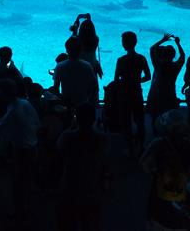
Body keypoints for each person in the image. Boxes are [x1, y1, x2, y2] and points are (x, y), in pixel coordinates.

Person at [0, 78, 40, 227]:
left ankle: (19, 215)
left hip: (22, 151)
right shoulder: (25, 103)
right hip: (33, 147)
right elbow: (37, 122)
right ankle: (28, 211)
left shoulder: (13, 109)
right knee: (28, 181)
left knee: (18, 183)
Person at [55, 103, 109, 231]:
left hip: (69, 185)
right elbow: (105, 162)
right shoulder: (102, 138)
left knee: (68, 221)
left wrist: (71, 127)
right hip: (92, 186)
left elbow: (58, 150)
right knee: (91, 222)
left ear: (76, 118)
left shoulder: (67, 136)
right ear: (94, 119)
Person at [114, 31, 151, 150]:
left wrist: (123, 83)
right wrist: (137, 81)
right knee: (140, 119)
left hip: (124, 93)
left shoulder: (121, 60)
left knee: (126, 121)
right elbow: (148, 76)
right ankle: (142, 146)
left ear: (124, 43)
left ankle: (130, 148)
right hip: (136, 91)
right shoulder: (141, 58)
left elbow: (116, 79)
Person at [147, 33, 185, 122]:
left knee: (155, 117)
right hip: (170, 94)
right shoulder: (175, 66)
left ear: (162, 55)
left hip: (156, 95)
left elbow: (152, 49)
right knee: (169, 119)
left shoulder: (158, 66)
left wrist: (163, 40)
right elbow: (182, 56)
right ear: (173, 55)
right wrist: (178, 43)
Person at [53, 36, 98, 108]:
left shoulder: (60, 66)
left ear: (67, 50)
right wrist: (88, 100)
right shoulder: (87, 66)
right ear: (80, 50)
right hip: (83, 104)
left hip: (67, 104)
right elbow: (94, 87)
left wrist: (62, 101)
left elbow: (56, 88)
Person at [70, 13, 103, 78]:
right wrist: (89, 19)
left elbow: (73, 37)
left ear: (81, 29)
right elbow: (89, 29)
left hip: (79, 69)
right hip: (92, 68)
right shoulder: (96, 40)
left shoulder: (76, 41)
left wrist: (77, 21)